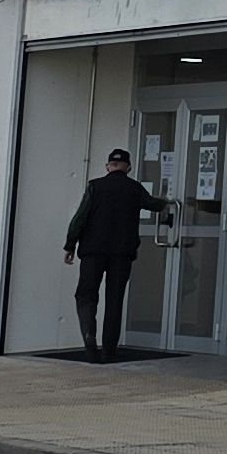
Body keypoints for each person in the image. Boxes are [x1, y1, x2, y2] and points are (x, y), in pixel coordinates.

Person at [63, 149, 169, 362]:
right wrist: (167, 201)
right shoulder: (134, 188)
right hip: (122, 253)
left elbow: (80, 217)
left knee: (86, 294)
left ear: (107, 166)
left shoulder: (95, 186)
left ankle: (88, 334)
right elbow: (153, 204)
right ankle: (109, 348)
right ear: (128, 167)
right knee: (115, 299)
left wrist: (70, 245)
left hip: (93, 251)